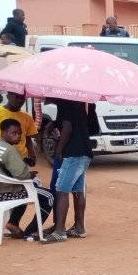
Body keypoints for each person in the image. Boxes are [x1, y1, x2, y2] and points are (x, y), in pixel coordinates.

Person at [42, 100, 93, 243]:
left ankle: (60, 231)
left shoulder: (64, 104)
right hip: (84, 151)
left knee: (61, 189)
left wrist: (58, 150)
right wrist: (55, 123)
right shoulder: (77, 103)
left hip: (73, 153)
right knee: (77, 190)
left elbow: (68, 128)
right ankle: (79, 228)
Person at [0, 119, 53, 239]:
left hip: (2, 188)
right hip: (6, 192)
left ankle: (13, 223)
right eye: (14, 133)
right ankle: (31, 231)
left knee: (29, 187)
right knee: (49, 196)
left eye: (19, 133)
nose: (18, 136)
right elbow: (21, 175)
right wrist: (31, 175)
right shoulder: (9, 150)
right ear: (3, 133)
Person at [0, 92, 38, 166]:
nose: (20, 100)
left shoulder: (27, 117)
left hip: (20, 159)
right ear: (8, 96)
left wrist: (32, 155)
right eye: (16, 97)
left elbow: (28, 138)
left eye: (22, 97)